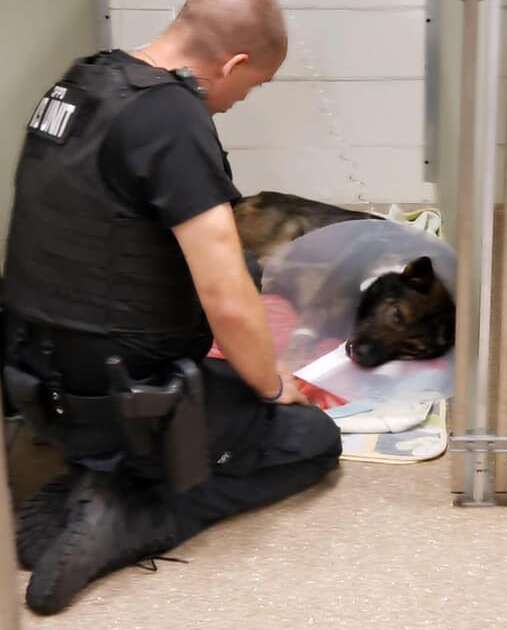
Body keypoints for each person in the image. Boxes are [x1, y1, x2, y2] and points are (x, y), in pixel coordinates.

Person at [3, 0, 341, 615]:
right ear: (233, 62)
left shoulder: (79, 82)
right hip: (125, 395)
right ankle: (140, 512)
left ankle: (87, 476)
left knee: (246, 265)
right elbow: (226, 301)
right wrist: (272, 386)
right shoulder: (172, 118)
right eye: (252, 84)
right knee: (312, 438)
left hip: (35, 380)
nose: (241, 100)